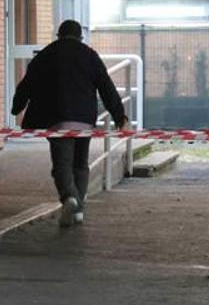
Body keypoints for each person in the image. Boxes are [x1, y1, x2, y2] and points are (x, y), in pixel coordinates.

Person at [11, 20, 128, 228]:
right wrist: (120, 118)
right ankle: (79, 210)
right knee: (80, 165)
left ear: (59, 35)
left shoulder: (47, 54)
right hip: (84, 121)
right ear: (79, 37)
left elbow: (27, 84)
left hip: (58, 120)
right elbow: (106, 88)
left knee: (62, 166)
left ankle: (69, 198)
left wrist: (16, 108)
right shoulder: (90, 55)